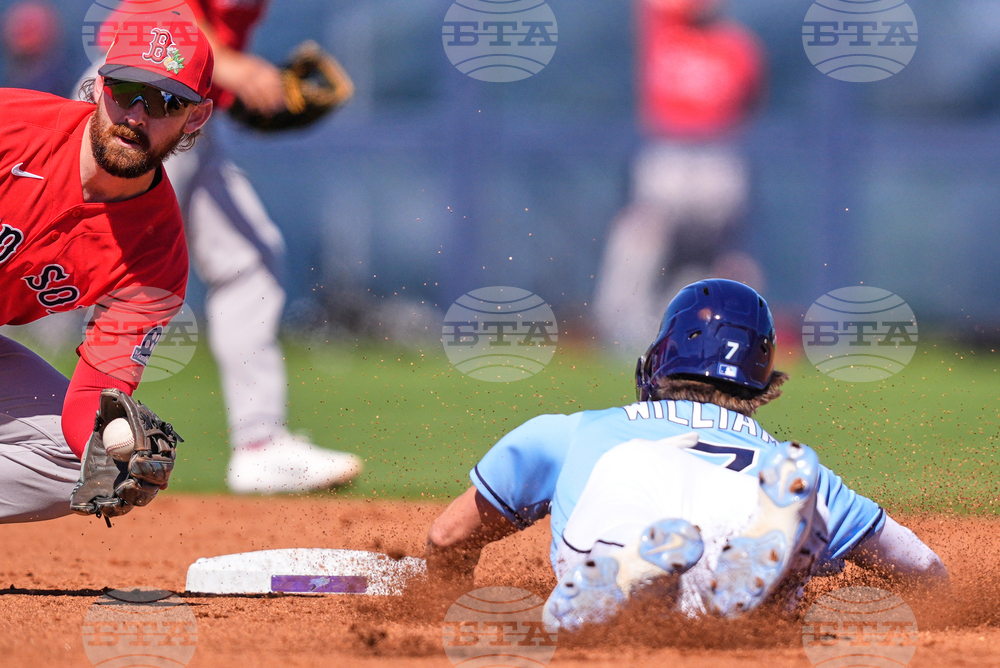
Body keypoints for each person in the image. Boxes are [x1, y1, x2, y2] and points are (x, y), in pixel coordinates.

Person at [426, 279, 947, 630]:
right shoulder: (799, 470)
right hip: (739, 511)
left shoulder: (570, 432)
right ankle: (756, 560)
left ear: (659, 359)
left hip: (623, 504)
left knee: (626, 483)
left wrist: (436, 608)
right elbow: (925, 573)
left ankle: (625, 567)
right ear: (763, 381)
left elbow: (447, 538)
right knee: (786, 517)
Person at [88, 1, 361, 494]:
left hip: (184, 108)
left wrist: (242, 92)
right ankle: (70, 433)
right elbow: (156, 26)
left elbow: (210, 58)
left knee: (250, 260)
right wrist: (240, 70)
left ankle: (259, 445)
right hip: (133, 96)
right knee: (102, 261)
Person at [0, 15, 213, 522]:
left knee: (77, 463)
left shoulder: (156, 256)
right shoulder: (11, 124)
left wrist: (121, 448)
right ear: (100, 86)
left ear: (197, 117)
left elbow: (92, 394)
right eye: (126, 89)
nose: (137, 115)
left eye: (166, 101)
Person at [593, 0, 766, 353]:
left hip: (716, 152)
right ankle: (624, 330)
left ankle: (720, 334)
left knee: (712, 258)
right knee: (642, 235)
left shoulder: (738, 45)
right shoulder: (662, 28)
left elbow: (750, 101)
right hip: (670, 149)